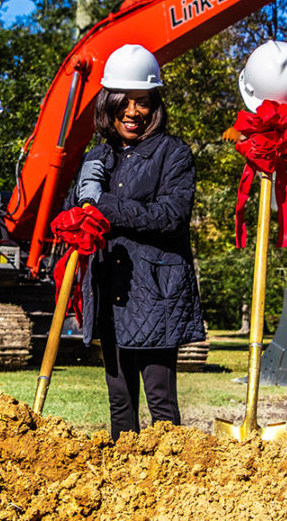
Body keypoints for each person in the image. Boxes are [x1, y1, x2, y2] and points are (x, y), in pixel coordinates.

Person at [67, 44, 203, 437]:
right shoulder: (100, 155)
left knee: (160, 398)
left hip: (157, 291)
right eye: (122, 102)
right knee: (119, 398)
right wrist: (80, 194)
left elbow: (171, 217)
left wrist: (103, 203)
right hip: (111, 288)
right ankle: (123, 477)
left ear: (154, 103)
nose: (132, 112)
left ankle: (170, 476)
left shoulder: (173, 153)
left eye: (142, 102)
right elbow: (78, 214)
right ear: (107, 104)